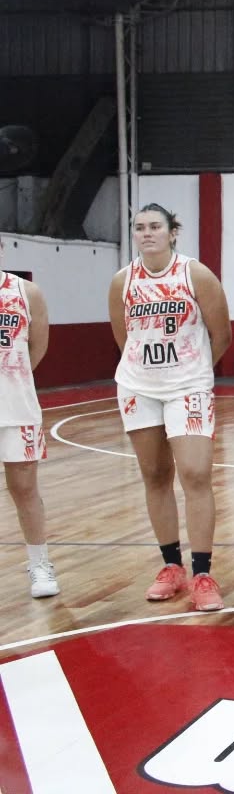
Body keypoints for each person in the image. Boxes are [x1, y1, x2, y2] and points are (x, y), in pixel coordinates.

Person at [108, 203, 230, 611]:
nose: (146, 233)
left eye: (155, 226)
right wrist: (150, 373)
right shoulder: (123, 280)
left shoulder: (195, 274)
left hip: (188, 386)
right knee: (155, 474)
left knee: (195, 474)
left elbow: (222, 335)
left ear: (172, 232)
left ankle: (203, 573)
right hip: (138, 387)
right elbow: (123, 337)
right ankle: (171, 567)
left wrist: (191, 372)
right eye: (140, 227)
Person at [0, 249, 57, 598]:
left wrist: (12, 378)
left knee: (24, 489)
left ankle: (40, 564)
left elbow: (37, 348)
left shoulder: (25, 292)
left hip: (16, 407)